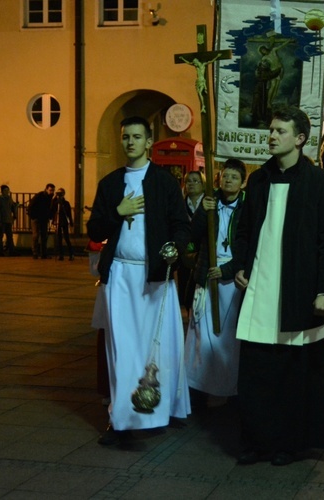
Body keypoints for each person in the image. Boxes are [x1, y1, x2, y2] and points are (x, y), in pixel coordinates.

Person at [232, 105, 324, 466]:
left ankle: (289, 444)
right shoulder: (259, 179)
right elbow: (245, 231)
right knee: (257, 372)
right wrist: (240, 266)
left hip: (298, 290)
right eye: (271, 130)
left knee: (293, 374)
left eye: (280, 131)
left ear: (300, 138)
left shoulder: (320, 183)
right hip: (261, 289)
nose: (272, 136)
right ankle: (257, 441)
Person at [87, 116, 191, 445]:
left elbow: (182, 225)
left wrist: (175, 248)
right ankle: (121, 419)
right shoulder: (110, 184)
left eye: (137, 137)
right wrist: (117, 211)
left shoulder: (164, 183)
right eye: (125, 137)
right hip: (119, 275)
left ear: (149, 142)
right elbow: (94, 231)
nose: (130, 142)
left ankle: (160, 410)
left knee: (157, 345)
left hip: (155, 276)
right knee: (122, 348)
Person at [184, 159, 246, 407]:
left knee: (228, 338)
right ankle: (198, 388)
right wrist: (202, 213)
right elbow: (192, 238)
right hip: (207, 274)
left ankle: (229, 390)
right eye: (225, 176)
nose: (228, 180)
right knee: (201, 334)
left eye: (234, 177)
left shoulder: (247, 207)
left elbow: (248, 244)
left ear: (243, 182)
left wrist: (228, 270)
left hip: (231, 280)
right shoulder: (210, 203)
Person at [178, 171, 206, 310]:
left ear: (203, 184)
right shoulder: (180, 204)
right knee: (184, 278)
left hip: (203, 247)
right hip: (186, 247)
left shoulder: (207, 203)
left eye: (195, 181)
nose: (191, 184)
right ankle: (185, 305)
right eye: (188, 181)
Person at [28, 183, 55, 259]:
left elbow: (50, 209)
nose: (51, 192)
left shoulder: (50, 198)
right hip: (36, 218)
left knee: (44, 236)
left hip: (44, 218)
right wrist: (32, 216)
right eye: (50, 190)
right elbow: (31, 205)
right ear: (46, 189)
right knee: (36, 235)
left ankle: (43, 253)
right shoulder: (39, 196)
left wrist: (49, 216)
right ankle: (35, 253)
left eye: (52, 190)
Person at [51, 188, 75, 261]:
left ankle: (71, 254)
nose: (59, 195)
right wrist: (54, 198)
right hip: (57, 221)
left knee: (66, 238)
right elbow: (52, 209)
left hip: (64, 221)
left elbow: (68, 214)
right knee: (59, 239)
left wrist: (71, 222)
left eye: (61, 193)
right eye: (58, 193)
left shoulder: (66, 203)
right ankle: (60, 255)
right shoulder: (55, 202)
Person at [0, 184, 17, 257]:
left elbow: (12, 207)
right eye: (5, 190)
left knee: (10, 236)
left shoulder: (9, 198)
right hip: (2, 220)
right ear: (2, 191)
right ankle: (0, 252)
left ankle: (11, 251)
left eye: (8, 190)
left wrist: (14, 215)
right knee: (0, 236)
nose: (7, 192)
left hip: (8, 220)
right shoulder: (0, 199)